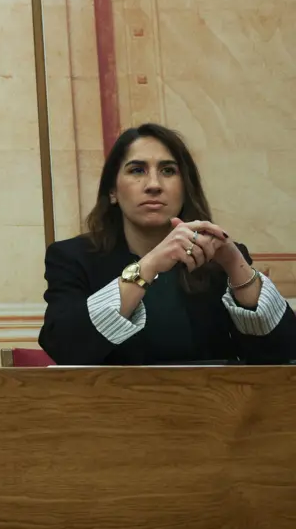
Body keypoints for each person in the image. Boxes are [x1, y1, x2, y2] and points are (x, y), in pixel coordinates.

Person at [39, 123, 296, 365]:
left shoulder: (217, 259)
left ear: (186, 188)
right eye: (137, 170)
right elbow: (65, 347)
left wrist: (234, 265)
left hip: (212, 406)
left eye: (168, 171)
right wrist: (150, 265)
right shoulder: (72, 257)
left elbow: (283, 352)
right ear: (112, 192)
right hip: (110, 407)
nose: (154, 185)